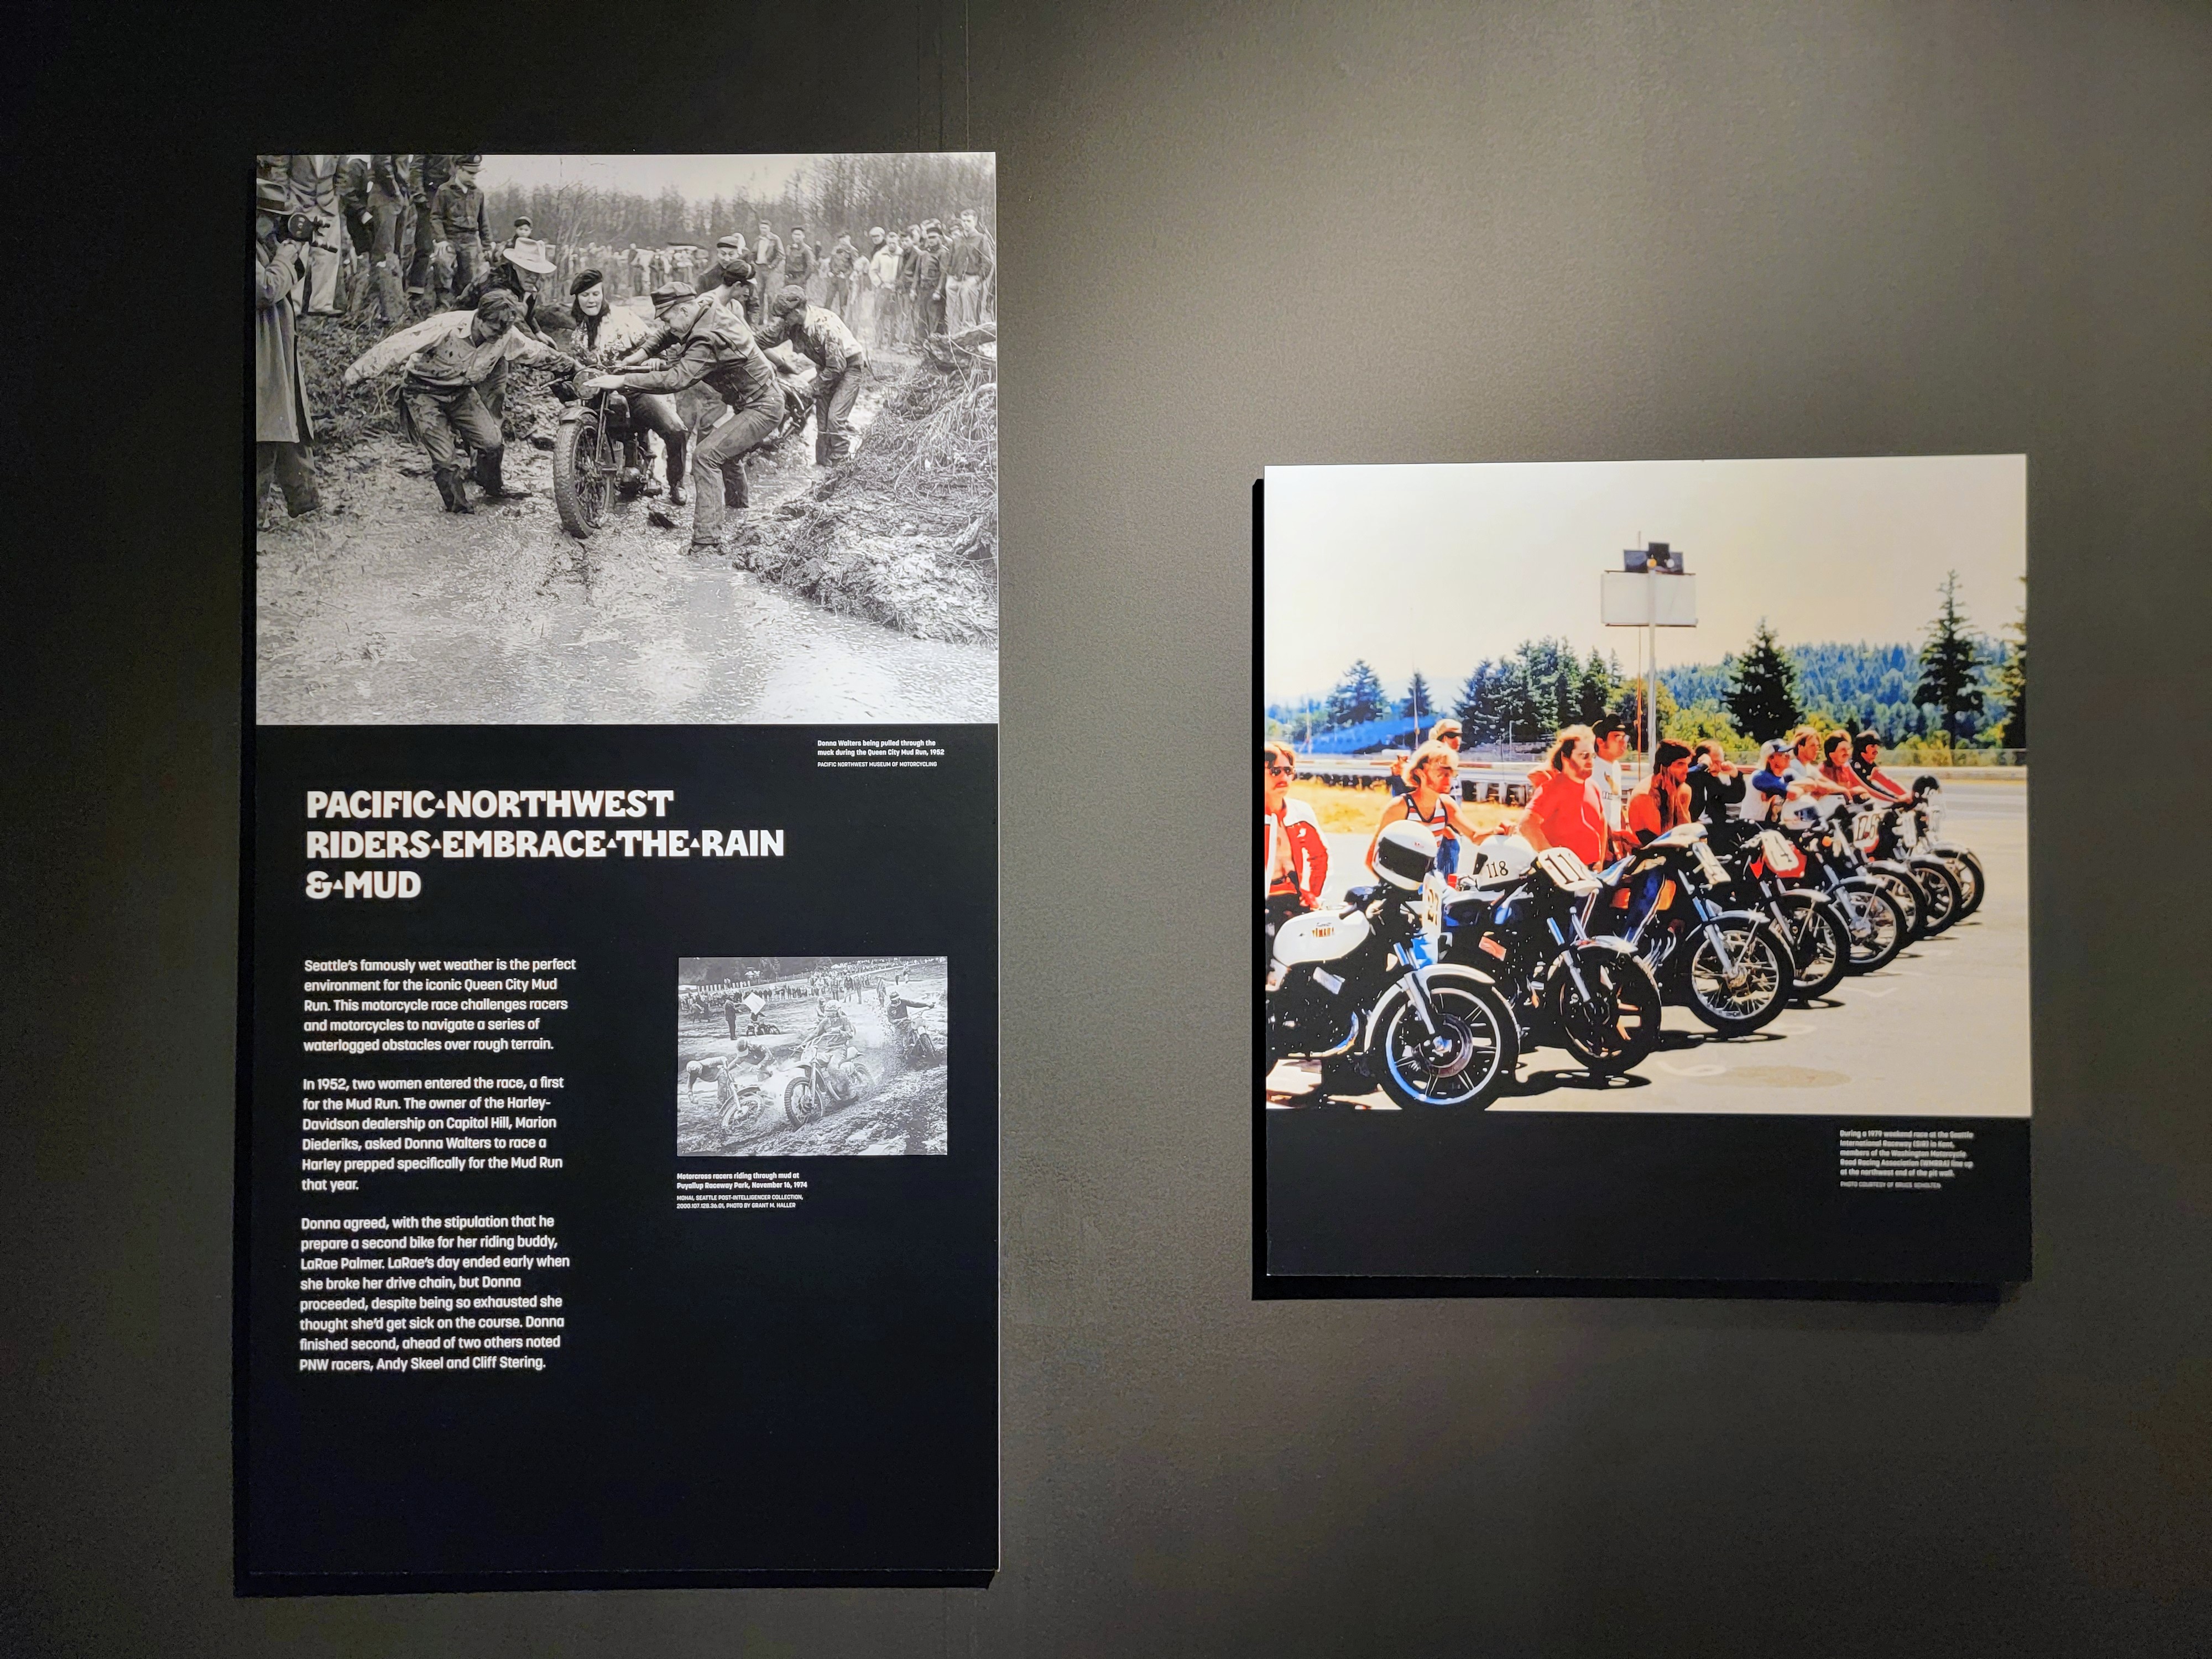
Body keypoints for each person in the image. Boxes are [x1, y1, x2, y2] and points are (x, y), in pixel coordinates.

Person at [594, 281, 785, 555]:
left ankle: (706, 543)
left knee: (706, 456)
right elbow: (667, 333)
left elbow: (677, 379)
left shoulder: (707, 336)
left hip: (763, 406)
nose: (668, 326)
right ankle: (739, 514)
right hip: (753, 400)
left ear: (683, 310)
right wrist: (640, 355)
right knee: (729, 456)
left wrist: (623, 380)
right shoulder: (704, 306)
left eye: (669, 318)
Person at [399, 289, 577, 514]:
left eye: (504, 331)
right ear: (480, 319)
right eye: (494, 329)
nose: (498, 336)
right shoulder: (444, 326)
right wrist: (359, 374)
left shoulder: (505, 335)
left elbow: (535, 353)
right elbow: (394, 347)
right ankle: (458, 509)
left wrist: (571, 366)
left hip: (460, 390)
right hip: (422, 390)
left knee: (492, 442)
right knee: (445, 458)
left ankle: (492, 486)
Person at [567, 269, 687, 504]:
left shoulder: (623, 318)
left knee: (676, 430)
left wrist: (653, 360)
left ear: (603, 293)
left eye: (595, 294)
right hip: (599, 397)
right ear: (577, 299)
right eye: (585, 295)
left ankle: (676, 483)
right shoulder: (578, 336)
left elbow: (655, 346)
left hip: (633, 389)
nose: (591, 300)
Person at [254, 177, 322, 520]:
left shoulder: (265, 244)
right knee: (265, 430)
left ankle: (306, 506)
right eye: (273, 219)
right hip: (262, 351)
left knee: (290, 421)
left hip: (278, 347)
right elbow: (265, 289)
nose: (278, 227)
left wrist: (293, 253)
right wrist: (285, 255)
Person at [757, 285, 869, 464]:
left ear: (797, 312)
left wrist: (812, 388)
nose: (783, 321)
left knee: (835, 419)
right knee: (822, 424)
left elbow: (837, 367)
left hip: (849, 369)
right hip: (827, 369)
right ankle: (823, 464)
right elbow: (763, 339)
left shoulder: (825, 325)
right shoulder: (791, 324)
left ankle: (841, 464)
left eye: (785, 316)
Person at [1366, 740, 1478, 882]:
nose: (1448, 779)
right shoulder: (1400, 807)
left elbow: (1475, 835)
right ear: (1421, 773)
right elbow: (1371, 858)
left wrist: (1500, 831)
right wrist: (1393, 886)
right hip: (1401, 885)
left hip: (1429, 885)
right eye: (1441, 773)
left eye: (1451, 773)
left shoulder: (1447, 805)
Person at [1262, 742, 1328, 946]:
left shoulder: (1301, 812)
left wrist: (1313, 894)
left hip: (1293, 900)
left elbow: (1320, 856)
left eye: (1288, 771)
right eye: (1275, 771)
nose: (1283, 777)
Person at [1514, 724, 1608, 866]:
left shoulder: (1594, 787)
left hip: (1590, 872)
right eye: (1584, 756)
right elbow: (1527, 824)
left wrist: (1600, 861)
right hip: (1563, 874)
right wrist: (1555, 861)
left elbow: (1602, 824)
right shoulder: (1552, 789)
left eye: (1593, 756)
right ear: (1565, 757)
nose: (1591, 762)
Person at [456, 241, 559, 337]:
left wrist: (537, 332)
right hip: (463, 327)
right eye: (528, 271)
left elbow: (528, 315)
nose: (533, 277)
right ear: (515, 266)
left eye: (537, 272)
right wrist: (536, 344)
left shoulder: (528, 283)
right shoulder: (498, 283)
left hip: (489, 327)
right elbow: (514, 321)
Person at [284, 153, 345, 315]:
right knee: (296, 253)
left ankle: (321, 304)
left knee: (328, 255)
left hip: (328, 204)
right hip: (298, 202)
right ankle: (292, 306)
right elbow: (281, 170)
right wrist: (288, 200)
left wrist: (336, 198)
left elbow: (343, 174)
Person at [431, 155, 491, 302]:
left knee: (470, 278)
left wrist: (487, 245)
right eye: (470, 173)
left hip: (470, 240)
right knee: (442, 264)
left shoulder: (478, 194)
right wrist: (441, 239)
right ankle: (444, 304)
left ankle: (463, 305)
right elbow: (436, 217)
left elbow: (483, 221)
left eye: (475, 173)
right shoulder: (445, 191)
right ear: (459, 170)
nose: (474, 177)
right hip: (450, 238)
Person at [1626, 741, 1694, 843]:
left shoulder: (1684, 790)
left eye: (1687, 764)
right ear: (1664, 768)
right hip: (1649, 849)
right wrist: (1671, 800)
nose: (1686, 770)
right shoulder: (1645, 796)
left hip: (1674, 848)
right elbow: (1658, 841)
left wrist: (1676, 799)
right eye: (1680, 764)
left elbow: (1687, 833)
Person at [945, 206, 997, 331]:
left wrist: (978, 278)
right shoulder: (957, 240)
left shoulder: (981, 238)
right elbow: (951, 260)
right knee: (950, 291)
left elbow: (988, 262)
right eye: (964, 221)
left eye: (969, 221)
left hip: (972, 277)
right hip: (956, 277)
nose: (966, 224)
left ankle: (968, 330)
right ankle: (954, 331)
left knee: (966, 293)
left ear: (975, 222)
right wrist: (951, 275)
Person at [1589, 716, 1632, 855]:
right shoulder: (1590, 768)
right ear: (1601, 742)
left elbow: (1616, 803)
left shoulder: (1616, 767)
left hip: (1614, 842)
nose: (1624, 743)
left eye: (1625, 738)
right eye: (1617, 738)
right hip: (1597, 843)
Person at [1686, 739, 1747, 826]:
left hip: (1711, 827)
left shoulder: (1711, 779)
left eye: (1720, 763)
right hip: (1689, 826)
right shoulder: (1690, 775)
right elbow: (1689, 777)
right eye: (1714, 762)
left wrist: (1736, 776)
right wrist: (1703, 766)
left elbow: (1735, 797)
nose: (1718, 767)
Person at [862, 227, 900, 346]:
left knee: (895, 314)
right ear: (887, 242)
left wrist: (898, 284)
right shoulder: (880, 254)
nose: (892, 245)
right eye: (890, 243)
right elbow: (872, 271)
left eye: (894, 243)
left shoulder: (902, 255)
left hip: (897, 289)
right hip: (883, 287)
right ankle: (878, 340)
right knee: (880, 314)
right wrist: (879, 283)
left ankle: (894, 340)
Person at [1850, 732, 1912, 802]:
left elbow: (1888, 782)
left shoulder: (1869, 764)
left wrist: (1908, 795)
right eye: (1873, 746)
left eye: (1877, 747)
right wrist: (1896, 799)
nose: (1876, 751)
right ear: (1862, 748)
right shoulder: (1854, 766)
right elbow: (1869, 789)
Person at [750, 220, 785, 321]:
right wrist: (753, 262)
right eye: (762, 228)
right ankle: (761, 318)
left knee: (770, 294)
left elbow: (781, 254)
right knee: (759, 293)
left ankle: (771, 318)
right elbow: (753, 252)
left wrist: (773, 265)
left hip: (770, 270)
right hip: (759, 269)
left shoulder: (775, 239)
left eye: (765, 228)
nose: (763, 230)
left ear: (769, 228)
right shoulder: (758, 239)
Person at [824, 232, 859, 319]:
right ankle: (825, 318)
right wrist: (830, 272)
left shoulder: (853, 251)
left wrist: (846, 275)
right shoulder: (836, 249)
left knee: (843, 302)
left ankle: (843, 320)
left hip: (845, 280)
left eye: (845, 239)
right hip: (834, 278)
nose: (843, 241)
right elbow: (831, 262)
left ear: (849, 239)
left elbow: (855, 267)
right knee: (828, 299)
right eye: (841, 240)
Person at [785, 226, 817, 299]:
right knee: (787, 300)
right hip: (789, 278)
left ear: (803, 236)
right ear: (792, 236)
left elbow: (810, 266)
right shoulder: (789, 248)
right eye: (795, 234)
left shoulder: (806, 249)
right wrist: (786, 275)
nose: (797, 237)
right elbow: (787, 262)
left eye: (799, 235)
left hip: (800, 277)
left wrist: (803, 279)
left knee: (799, 300)